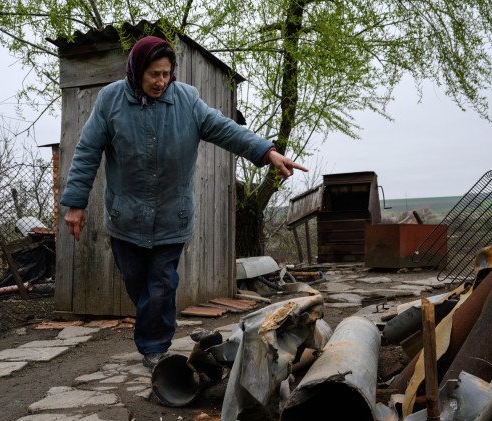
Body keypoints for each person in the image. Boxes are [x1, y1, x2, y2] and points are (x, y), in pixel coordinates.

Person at [60, 35, 307, 370]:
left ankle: (154, 348)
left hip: (171, 217)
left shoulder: (187, 100)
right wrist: (75, 204)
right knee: (138, 284)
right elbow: (87, 151)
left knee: (161, 284)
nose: (161, 81)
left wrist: (267, 152)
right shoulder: (111, 100)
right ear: (136, 71)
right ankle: (155, 331)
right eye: (153, 75)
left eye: (166, 74)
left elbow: (226, 129)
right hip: (126, 217)